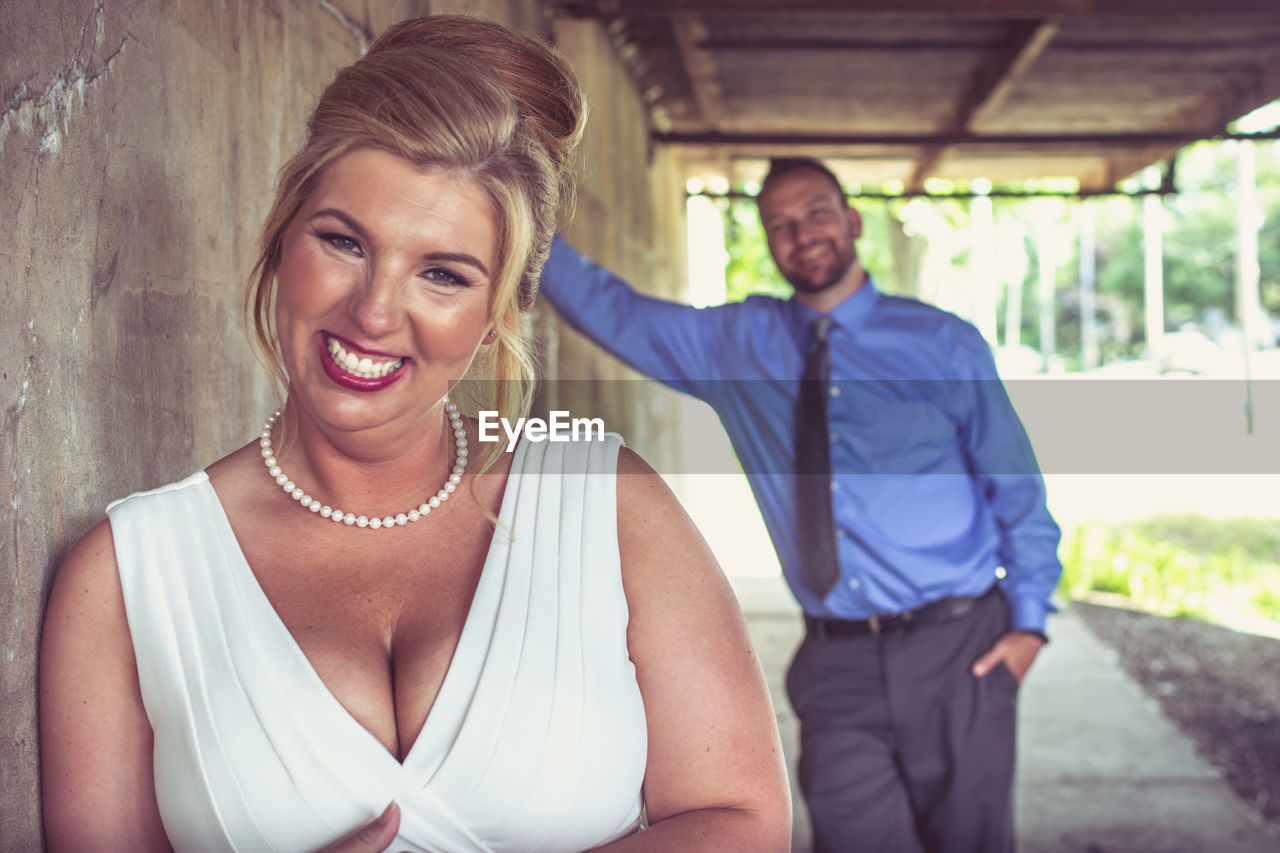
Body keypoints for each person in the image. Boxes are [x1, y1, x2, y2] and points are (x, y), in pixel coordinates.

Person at [38, 16, 791, 853]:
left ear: (495, 314)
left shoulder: (605, 502)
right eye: (343, 242)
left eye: (442, 273)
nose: (373, 311)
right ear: (284, 238)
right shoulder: (125, 573)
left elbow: (744, 820)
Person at [539, 157, 1063, 852]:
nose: (801, 233)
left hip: (960, 649)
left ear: (851, 221)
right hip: (836, 661)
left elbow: (1016, 487)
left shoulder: (941, 341)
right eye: (778, 223)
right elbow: (610, 307)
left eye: (816, 211)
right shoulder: (733, 345)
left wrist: (1029, 625)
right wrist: (516, 207)